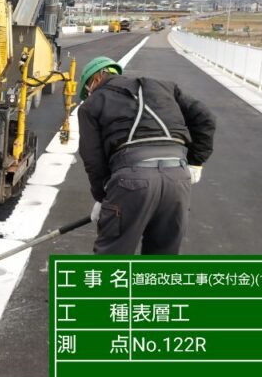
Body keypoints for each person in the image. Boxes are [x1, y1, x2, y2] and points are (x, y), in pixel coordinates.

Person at [77, 56, 216, 255]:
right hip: (178, 177)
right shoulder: (164, 87)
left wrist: (102, 196)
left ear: (96, 80)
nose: (89, 94)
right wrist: (195, 162)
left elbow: (92, 158)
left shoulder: (91, 105)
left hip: (131, 181)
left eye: (88, 89)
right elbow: (205, 117)